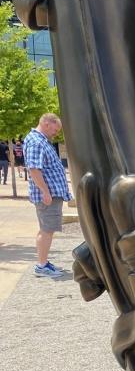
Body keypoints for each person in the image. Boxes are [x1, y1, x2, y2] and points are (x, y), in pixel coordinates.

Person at [24, 113, 72, 279]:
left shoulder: (40, 141)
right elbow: (34, 169)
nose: (56, 133)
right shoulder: (36, 142)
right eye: (55, 129)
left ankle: (43, 263)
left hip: (50, 194)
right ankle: (42, 265)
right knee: (47, 230)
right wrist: (45, 191)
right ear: (46, 123)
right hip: (47, 195)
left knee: (46, 229)